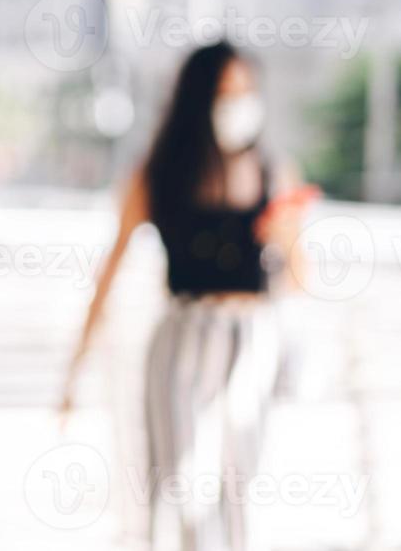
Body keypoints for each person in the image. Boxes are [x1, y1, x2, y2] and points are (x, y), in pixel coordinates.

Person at [58, 41, 316, 551]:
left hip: (252, 335)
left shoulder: (273, 170)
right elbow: (109, 273)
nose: (239, 102)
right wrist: (75, 370)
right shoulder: (156, 174)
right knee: (178, 481)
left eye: (247, 90)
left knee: (241, 486)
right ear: (199, 97)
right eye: (226, 90)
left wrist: (286, 239)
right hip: (183, 334)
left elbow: (300, 278)